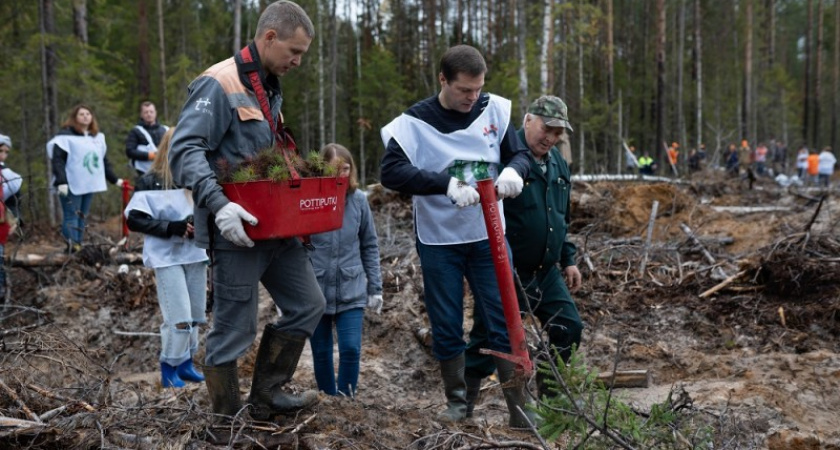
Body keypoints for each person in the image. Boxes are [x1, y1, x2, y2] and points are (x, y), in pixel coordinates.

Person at [168, 1, 325, 421]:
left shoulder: (268, 84)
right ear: (269, 37)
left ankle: (268, 395)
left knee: (309, 303)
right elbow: (184, 151)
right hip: (237, 231)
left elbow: (264, 156)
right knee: (234, 328)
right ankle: (224, 421)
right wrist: (219, 207)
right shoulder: (219, 83)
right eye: (294, 51)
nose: (297, 61)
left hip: (278, 228)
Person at [380, 44, 532, 427]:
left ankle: (518, 406)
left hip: (488, 237)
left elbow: (519, 153)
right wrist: (444, 184)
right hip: (439, 240)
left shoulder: (494, 109)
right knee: (446, 320)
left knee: (503, 316)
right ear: (443, 80)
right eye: (465, 90)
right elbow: (391, 173)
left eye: (478, 89)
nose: (472, 97)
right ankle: (457, 403)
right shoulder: (413, 123)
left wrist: (515, 170)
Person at [464, 95, 583, 412]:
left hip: (546, 271)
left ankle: (551, 397)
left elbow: (561, 216)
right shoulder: (504, 155)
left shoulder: (557, 162)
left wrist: (568, 259)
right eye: (547, 128)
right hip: (507, 271)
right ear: (528, 119)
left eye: (558, 133)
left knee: (568, 327)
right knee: (487, 337)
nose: (551, 137)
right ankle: (464, 401)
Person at [125, 127, 208, 388]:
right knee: (179, 317)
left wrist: (197, 223)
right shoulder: (150, 181)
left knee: (195, 314)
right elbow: (134, 219)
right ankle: (169, 366)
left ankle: (185, 364)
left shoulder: (200, 178)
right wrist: (172, 227)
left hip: (195, 253)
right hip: (166, 257)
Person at [308, 143, 383, 397]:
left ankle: (346, 398)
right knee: (321, 350)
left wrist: (375, 287)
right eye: (334, 169)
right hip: (315, 290)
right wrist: (289, 294)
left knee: (351, 348)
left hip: (352, 287)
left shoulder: (359, 200)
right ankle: (327, 399)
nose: (341, 174)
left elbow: (369, 245)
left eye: (346, 168)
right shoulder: (310, 200)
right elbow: (295, 249)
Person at [47, 104, 128, 252]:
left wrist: (114, 179)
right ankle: (72, 247)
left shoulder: (96, 138)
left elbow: (103, 161)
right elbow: (58, 160)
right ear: (74, 118)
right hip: (71, 184)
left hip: (88, 184)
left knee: (82, 216)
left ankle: (78, 244)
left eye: (88, 114)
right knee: (71, 216)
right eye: (81, 114)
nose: (85, 116)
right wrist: (61, 181)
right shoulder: (65, 137)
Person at [0, 134, 22, 303]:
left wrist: (14, 218)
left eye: (6, 152)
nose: (3, 155)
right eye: (0, 151)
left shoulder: (8, 176)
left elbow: (14, 201)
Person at [126, 101, 169, 176]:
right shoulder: (136, 131)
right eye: (146, 112)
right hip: (142, 172)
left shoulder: (166, 130)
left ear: (155, 113)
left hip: (164, 172)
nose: (149, 114)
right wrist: (149, 155)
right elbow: (130, 151)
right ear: (141, 114)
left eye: (151, 112)